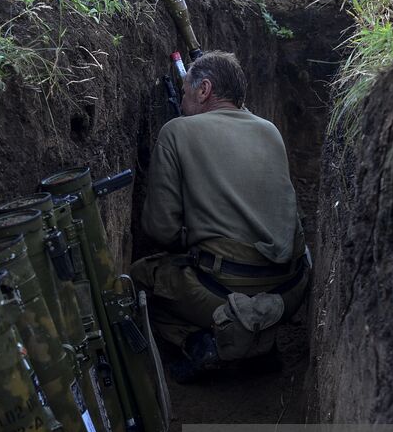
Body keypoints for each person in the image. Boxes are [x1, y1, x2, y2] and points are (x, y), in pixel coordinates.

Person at [130, 51, 310, 382]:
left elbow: (159, 229)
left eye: (185, 93)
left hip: (223, 289)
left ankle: (209, 343)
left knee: (140, 278)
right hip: (290, 290)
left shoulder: (176, 132)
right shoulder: (269, 130)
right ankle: (261, 337)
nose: (182, 103)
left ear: (204, 90)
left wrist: (191, 235)